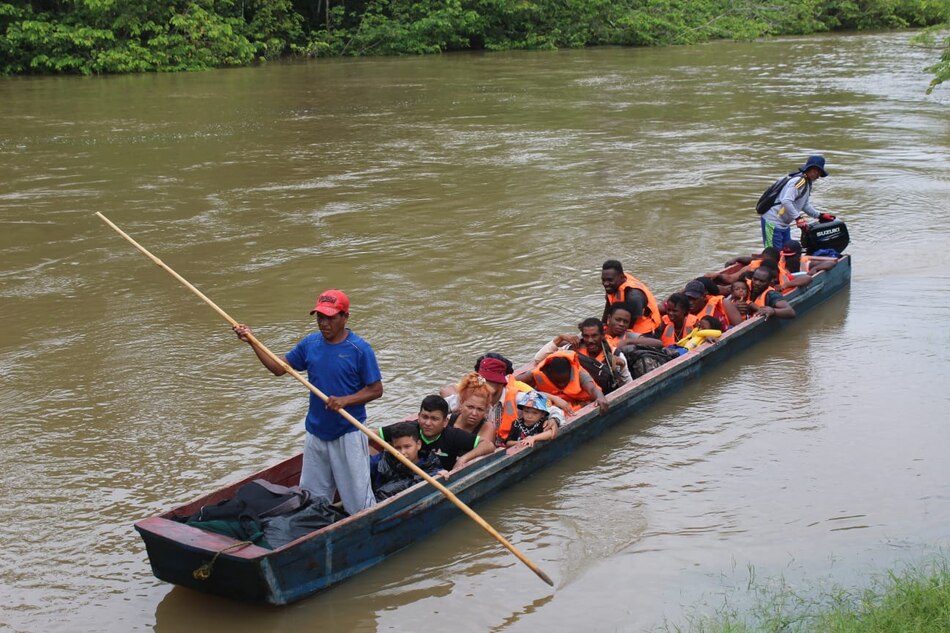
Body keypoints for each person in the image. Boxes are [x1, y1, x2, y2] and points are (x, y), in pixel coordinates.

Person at [233, 289, 382, 515]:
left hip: (348, 432)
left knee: (359, 504)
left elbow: (376, 390)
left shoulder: (359, 349)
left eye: (330, 317)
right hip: (316, 433)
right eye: (320, 317)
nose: (324, 323)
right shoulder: (310, 344)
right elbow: (278, 368)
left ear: (345, 317)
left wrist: (346, 400)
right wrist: (252, 342)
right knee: (311, 499)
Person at [441, 354, 557, 446]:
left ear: (501, 383)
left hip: (504, 445)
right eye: (484, 380)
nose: (486, 385)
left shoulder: (517, 397)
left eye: (491, 381)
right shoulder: (470, 396)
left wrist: (554, 419)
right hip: (474, 445)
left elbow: (552, 409)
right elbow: (438, 408)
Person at [377, 395, 483, 477]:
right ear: (418, 417)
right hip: (407, 477)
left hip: (440, 477)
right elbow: (374, 434)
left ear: (445, 421)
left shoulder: (454, 435)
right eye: (424, 417)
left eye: (434, 419)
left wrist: (463, 459)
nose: (427, 423)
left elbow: (487, 445)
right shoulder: (408, 429)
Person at [532, 317, 632, 394]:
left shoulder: (615, 355)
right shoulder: (573, 349)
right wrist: (560, 338)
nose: (590, 341)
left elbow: (629, 386)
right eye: (586, 336)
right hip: (570, 395)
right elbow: (538, 359)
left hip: (596, 397)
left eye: (594, 336)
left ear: (602, 335)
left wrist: (622, 365)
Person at [760, 155, 837, 250]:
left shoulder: (807, 183)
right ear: (809, 169)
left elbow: (805, 205)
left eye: (819, 172)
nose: (817, 174)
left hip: (784, 224)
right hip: (773, 222)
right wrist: (798, 218)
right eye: (815, 171)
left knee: (787, 252)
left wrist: (820, 215)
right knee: (773, 254)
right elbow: (786, 200)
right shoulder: (799, 181)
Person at [370, 421, 443, 500]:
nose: (402, 452)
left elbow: (437, 473)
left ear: (418, 445)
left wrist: (441, 474)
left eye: (407, 446)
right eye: (397, 448)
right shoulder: (383, 461)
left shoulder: (430, 464)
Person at [517, 352, 610, 414]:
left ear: (570, 372)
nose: (561, 385)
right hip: (555, 403)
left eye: (564, 381)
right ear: (548, 373)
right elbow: (513, 382)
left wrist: (600, 397)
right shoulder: (538, 373)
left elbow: (592, 388)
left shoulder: (579, 373)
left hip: (582, 402)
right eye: (557, 381)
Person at [447, 372, 500, 467]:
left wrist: (463, 459)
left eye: (480, 409)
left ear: (486, 410)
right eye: (470, 407)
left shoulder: (487, 427)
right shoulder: (448, 420)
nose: (474, 413)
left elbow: (486, 447)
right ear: (461, 403)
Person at [600, 259, 662, 334]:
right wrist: (601, 327)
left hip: (646, 332)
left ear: (621, 277)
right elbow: (608, 307)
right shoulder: (613, 285)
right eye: (603, 280)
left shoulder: (634, 297)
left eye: (609, 280)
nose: (606, 284)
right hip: (622, 324)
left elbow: (627, 327)